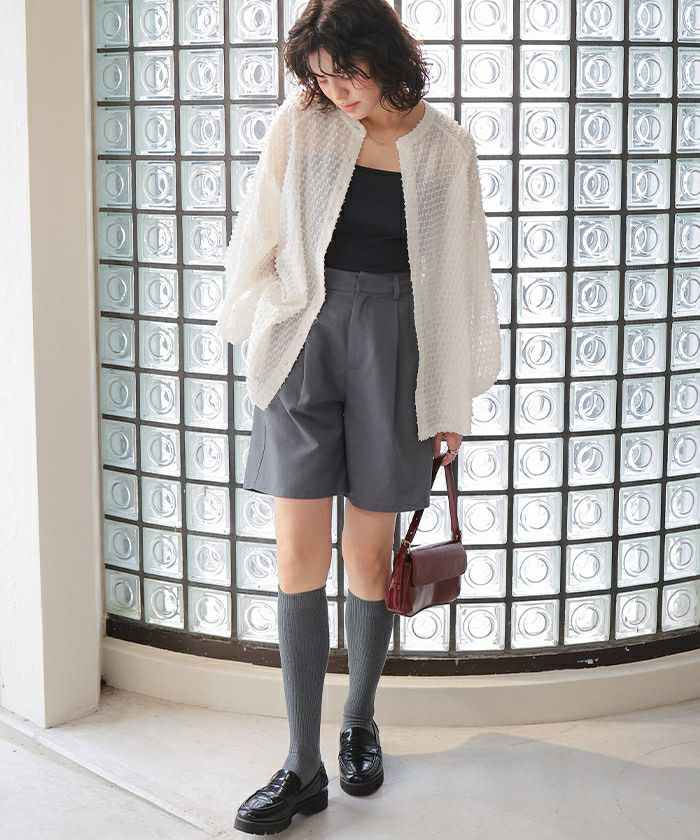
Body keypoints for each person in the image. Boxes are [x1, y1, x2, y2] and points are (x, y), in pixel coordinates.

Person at [217, 0, 501, 834]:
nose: (336, 90)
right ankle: (300, 765)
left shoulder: (445, 147)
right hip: (305, 338)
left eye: (347, 71)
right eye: (320, 76)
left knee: (369, 558)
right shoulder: (302, 126)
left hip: (399, 348)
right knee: (297, 554)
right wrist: (262, 321)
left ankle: (359, 723)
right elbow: (260, 231)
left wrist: (450, 399)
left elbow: (461, 277)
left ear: (384, 55)